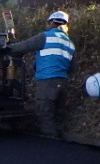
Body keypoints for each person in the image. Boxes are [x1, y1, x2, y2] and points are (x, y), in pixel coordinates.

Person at [4, 10, 75, 138]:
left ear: (51, 22)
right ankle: (62, 144)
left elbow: (24, 46)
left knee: (45, 114)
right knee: (57, 115)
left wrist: (7, 49)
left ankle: (51, 145)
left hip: (47, 82)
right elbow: (71, 68)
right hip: (63, 83)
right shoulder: (70, 43)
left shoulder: (45, 36)